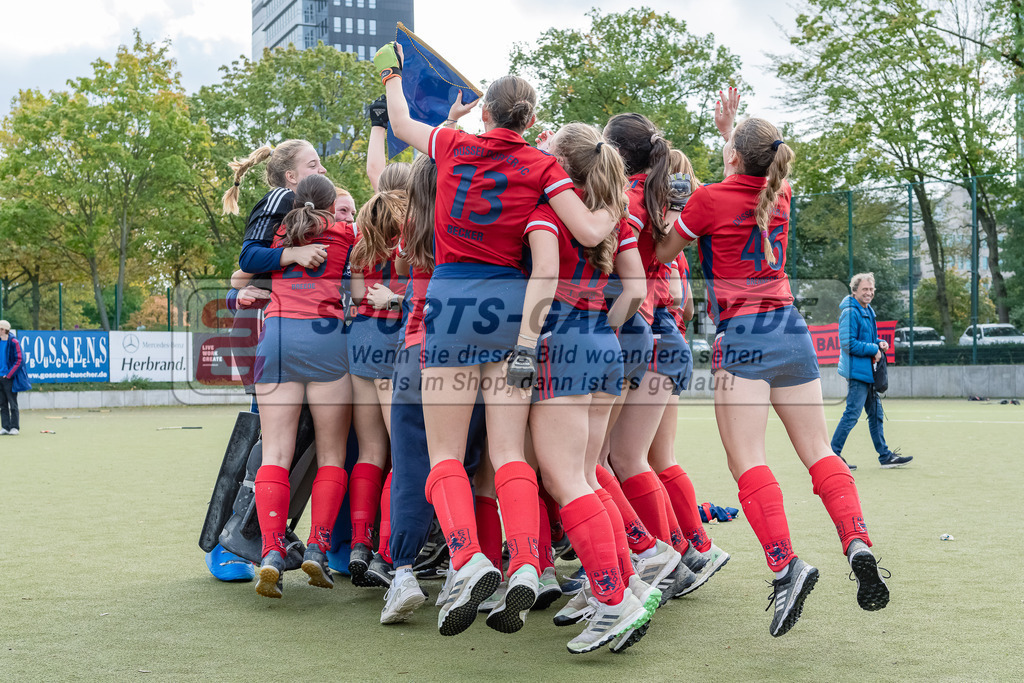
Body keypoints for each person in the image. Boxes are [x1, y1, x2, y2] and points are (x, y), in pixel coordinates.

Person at [378, 41, 633, 640]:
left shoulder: (453, 144)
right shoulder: (544, 167)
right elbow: (593, 228)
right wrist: (623, 204)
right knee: (509, 454)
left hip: (451, 302)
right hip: (513, 307)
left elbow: (397, 123)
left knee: (445, 454)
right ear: (532, 122)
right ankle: (524, 560)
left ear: (486, 112)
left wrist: (394, 72)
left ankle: (467, 559)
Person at [657, 111, 891, 637]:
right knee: (820, 452)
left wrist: (669, 215)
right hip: (791, 329)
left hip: (743, 336)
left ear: (734, 156)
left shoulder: (709, 200)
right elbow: (752, 176)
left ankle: (787, 566)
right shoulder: (778, 194)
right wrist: (731, 134)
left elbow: (663, 251)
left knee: (749, 462)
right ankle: (856, 541)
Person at [247, 173, 355, 599]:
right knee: (331, 454)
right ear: (331, 206)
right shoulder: (346, 233)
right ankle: (318, 546)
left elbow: (246, 265)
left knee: (274, 451)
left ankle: (272, 551)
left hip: (276, 337)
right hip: (326, 338)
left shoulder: (279, 233)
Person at [831, 272, 912, 470]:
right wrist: (873, 349)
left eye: (871, 289)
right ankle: (832, 456)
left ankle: (885, 457)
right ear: (855, 291)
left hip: (868, 372)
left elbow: (867, 340)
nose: (869, 293)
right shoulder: (850, 312)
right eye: (865, 289)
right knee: (852, 414)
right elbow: (847, 343)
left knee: (875, 414)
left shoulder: (868, 310)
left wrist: (879, 343)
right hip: (857, 373)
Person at [0, 320, 27, 435]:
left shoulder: (14, 342)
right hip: (0, 377)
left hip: (9, 378)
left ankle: (15, 427)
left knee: (13, 403)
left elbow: (20, 360)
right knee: (2, 404)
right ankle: (5, 427)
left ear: (4, 330)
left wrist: (9, 374)